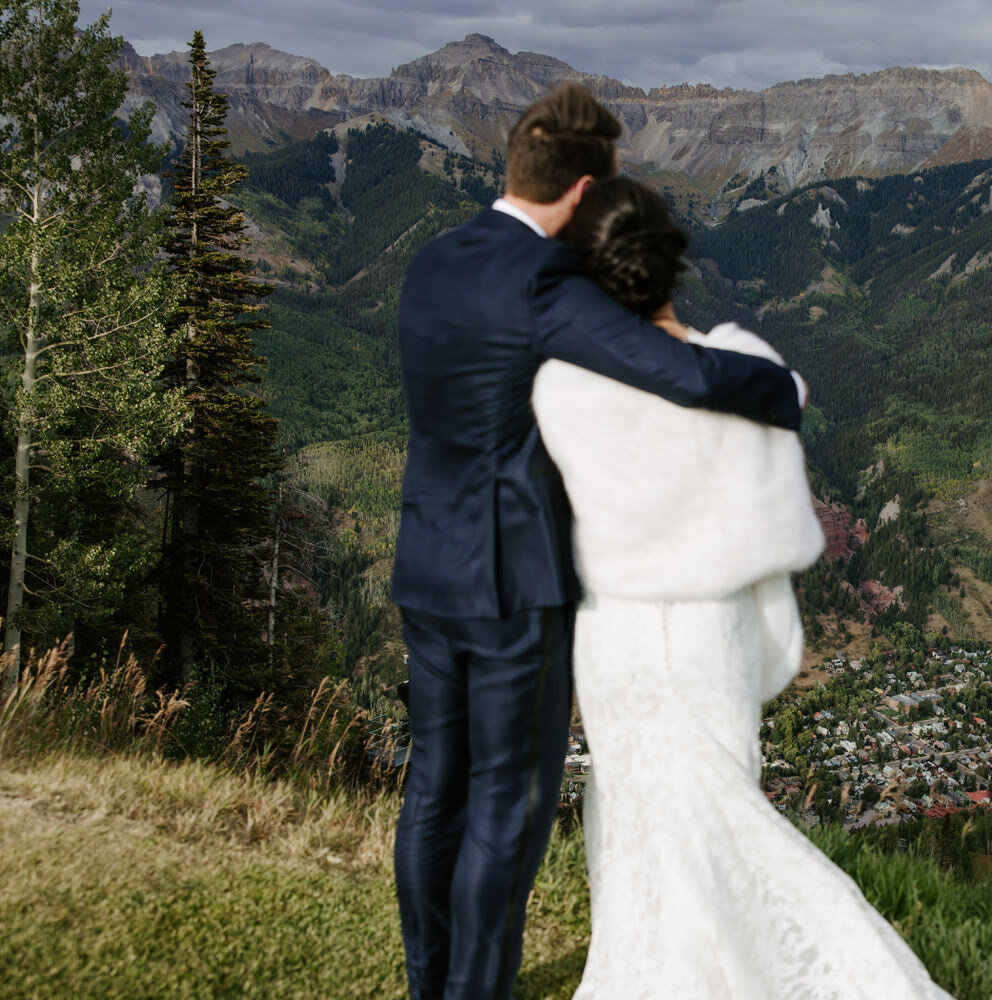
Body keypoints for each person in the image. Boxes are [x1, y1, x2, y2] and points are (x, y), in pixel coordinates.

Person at [390, 84, 805, 1000]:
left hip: (423, 559)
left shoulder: (433, 258)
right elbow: (681, 374)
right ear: (583, 193)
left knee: (432, 793)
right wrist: (784, 390)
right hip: (512, 578)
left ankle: (429, 985)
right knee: (508, 803)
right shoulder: (541, 281)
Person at [532, 176, 954, 999]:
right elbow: (784, 411)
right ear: (673, 263)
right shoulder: (745, 365)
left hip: (616, 631)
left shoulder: (562, 385)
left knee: (640, 815)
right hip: (708, 630)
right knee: (723, 808)